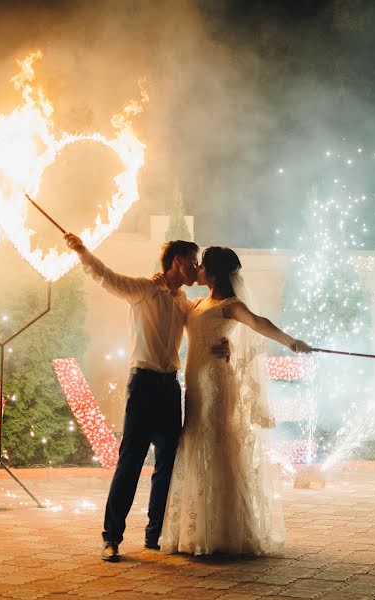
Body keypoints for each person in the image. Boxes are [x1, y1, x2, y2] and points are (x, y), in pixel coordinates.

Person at [64, 232, 225, 562]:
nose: (197, 269)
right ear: (178, 262)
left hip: (170, 389)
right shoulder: (143, 290)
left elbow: (209, 321)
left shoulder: (183, 302)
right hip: (143, 385)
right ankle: (111, 538)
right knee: (130, 462)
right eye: (193, 262)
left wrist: (225, 343)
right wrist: (82, 251)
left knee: (167, 464)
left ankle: (155, 535)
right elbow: (107, 277)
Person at [159, 246, 312, 556]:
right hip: (196, 386)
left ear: (212, 272)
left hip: (216, 383)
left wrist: (291, 342)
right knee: (197, 442)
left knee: (217, 444)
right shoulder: (197, 303)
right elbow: (173, 302)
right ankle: (198, 529)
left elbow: (258, 323)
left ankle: (225, 532)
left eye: (202, 266)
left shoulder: (231, 304)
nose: (197, 269)